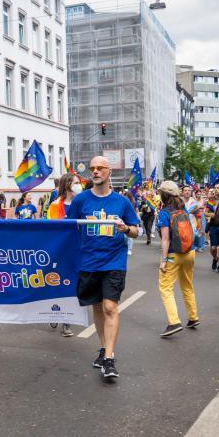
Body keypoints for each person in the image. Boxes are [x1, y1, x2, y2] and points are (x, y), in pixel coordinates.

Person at [66, 156, 139, 379]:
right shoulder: (80, 201)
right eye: (93, 168)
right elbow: (68, 229)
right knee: (97, 308)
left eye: (100, 168)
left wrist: (125, 229)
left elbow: (136, 231)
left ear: (109, 172)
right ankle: (103, 348)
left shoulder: (122, 202)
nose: (95, 171)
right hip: (89, 262)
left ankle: (109, 359)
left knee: (109, 307)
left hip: (114, 262)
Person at [157, 181, 199, 337]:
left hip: (173, 255)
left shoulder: (164, 212)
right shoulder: (183, 209)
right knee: (187, 285)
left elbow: (165, 239)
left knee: (166, 287)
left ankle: (174, 322)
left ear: (164, 195)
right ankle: (193, 317)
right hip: (189, 252)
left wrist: (163, 260)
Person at [47, 173, 83, 337]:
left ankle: (67, 323)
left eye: (79, 182)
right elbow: (52, 230)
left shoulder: (82, 203)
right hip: (61, 252)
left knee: (73, 286)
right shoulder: (55, 205)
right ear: (67, 185)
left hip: (78, 250)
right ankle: (53, 312)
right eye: (75, 182)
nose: (78, 185)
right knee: (57, 284)